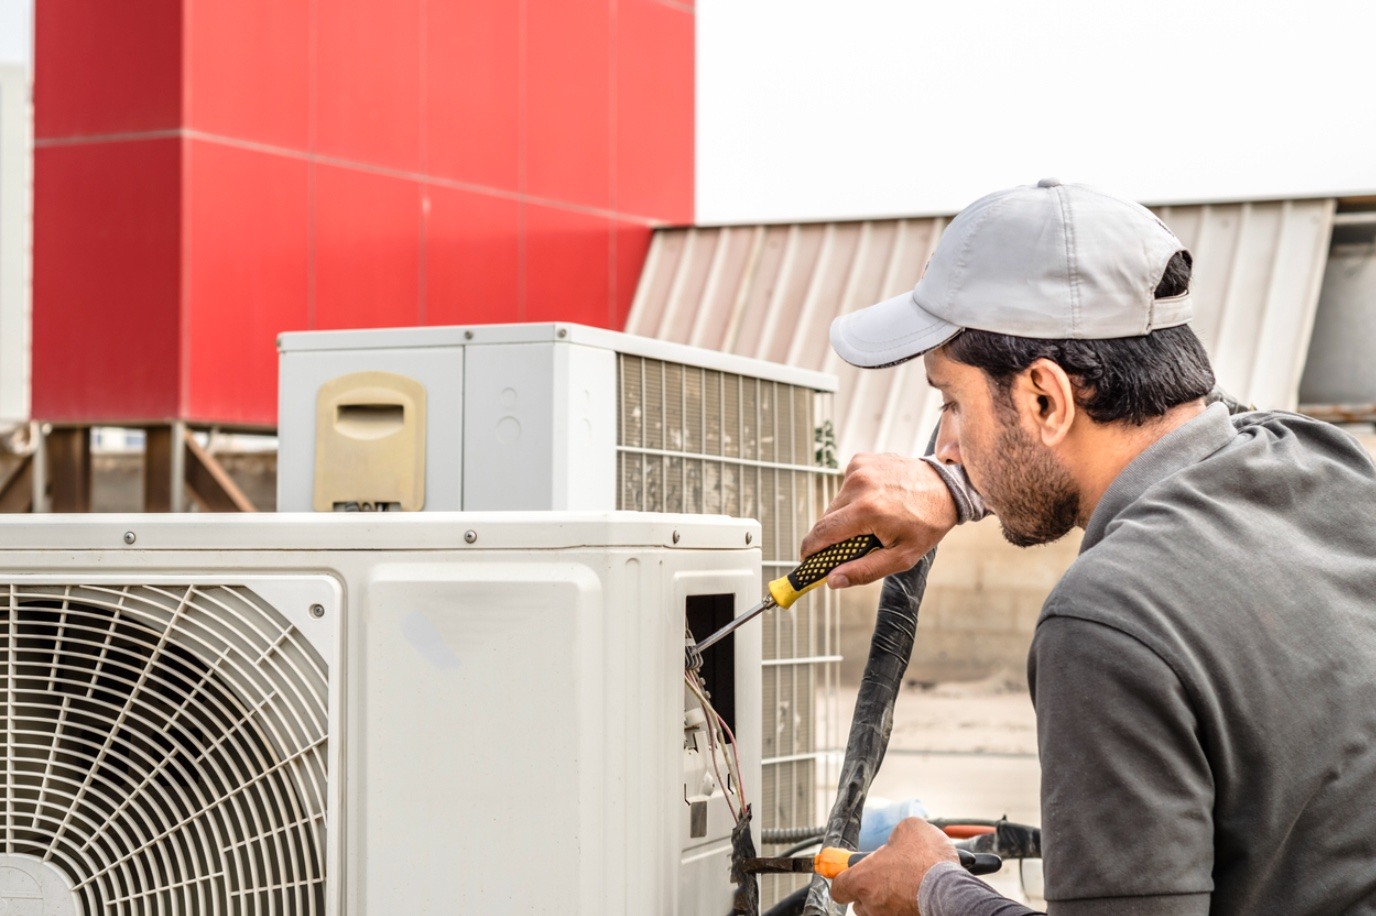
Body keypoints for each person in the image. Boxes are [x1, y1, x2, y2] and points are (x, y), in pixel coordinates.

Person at [801, 179, 1376, 915]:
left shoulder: (1107, 622)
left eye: (951, 401)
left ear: (1045, 399)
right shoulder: (1330, 462)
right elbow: (1201, 415)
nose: (945, 443)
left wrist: (936, 890)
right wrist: (965, 483)